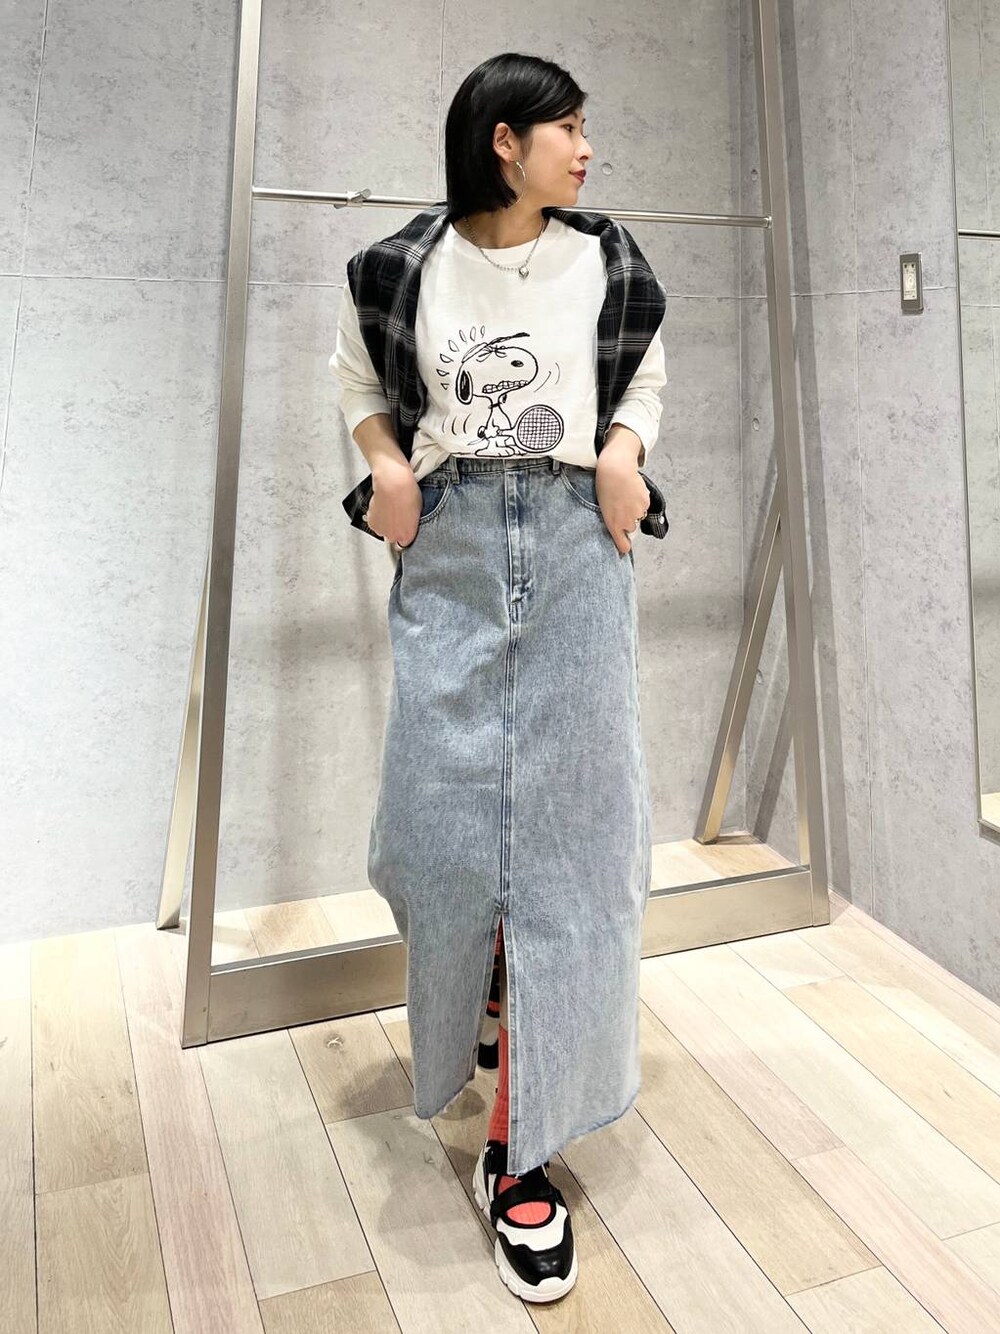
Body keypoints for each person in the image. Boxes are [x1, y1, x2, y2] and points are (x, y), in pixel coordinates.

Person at [329, 52, 666, 1304]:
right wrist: (389, 468)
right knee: (432, 826)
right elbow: (359, 383)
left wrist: (622, 452)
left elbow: (645, 377)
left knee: (577, 845)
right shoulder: (399, 266)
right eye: (567, 128)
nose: (587, 149)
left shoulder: (605, 259)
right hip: (455, 540)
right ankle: (481, 972)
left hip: (578, 541)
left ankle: (519, 1151)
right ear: (504, 142)